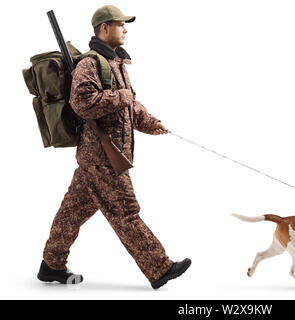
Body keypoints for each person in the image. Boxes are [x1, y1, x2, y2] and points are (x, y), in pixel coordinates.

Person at [37, 5, 191, 289]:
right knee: (126, 212)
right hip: (102, 158)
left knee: (71, 212)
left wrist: (150, 122)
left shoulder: (115, 62)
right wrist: (120, 96)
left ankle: (51, 265)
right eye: (121, 24)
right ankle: (160, 268)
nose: (126, 29)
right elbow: (82, 103)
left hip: (98, 158)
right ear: (104, 28)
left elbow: (129, 104)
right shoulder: (90, 64)